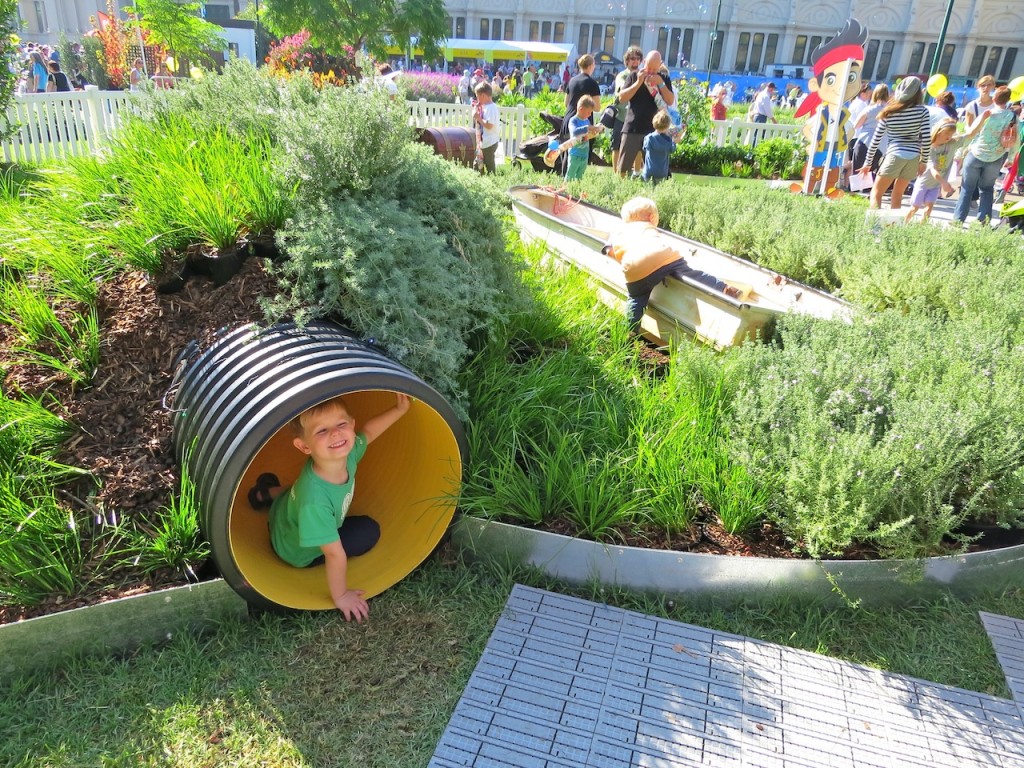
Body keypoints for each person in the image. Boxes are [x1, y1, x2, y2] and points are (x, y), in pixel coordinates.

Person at [249, 394, 410, 622]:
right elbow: (334, 554)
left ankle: (264, 493)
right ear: (304, 446)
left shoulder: (348, 452)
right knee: (368, 531)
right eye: (322, 431)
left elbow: (370, 432)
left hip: (284, 513)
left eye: (341, 424)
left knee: (295, 493)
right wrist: (341, 595)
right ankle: (265, 494)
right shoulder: (315, 501)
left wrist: (399, 410)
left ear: (352, 426)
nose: (335, 433)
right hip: (296, 552)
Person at [603, 197, 740, 333]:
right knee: (692, 274)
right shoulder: (648, 226)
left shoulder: (619, 231)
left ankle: (630, 331)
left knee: (636, 298)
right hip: (663, 255)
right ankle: (724, 288)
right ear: (651, 218)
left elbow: (608, 250)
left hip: (634, 266)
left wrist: (625, 260)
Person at [953, 85, 1018, 226]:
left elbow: (971, 133)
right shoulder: (1012, 116)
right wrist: (1011, 158)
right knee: (987, 189)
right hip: (996, 157)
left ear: (994, 98)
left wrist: (960, 148)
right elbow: (1016, 140)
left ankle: (958, 220)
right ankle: (983, 221)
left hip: (976, 154)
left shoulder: (987, 114)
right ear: (1008, 99)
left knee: (967, 188)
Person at [862, 76, 931, 210]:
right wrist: (924, 161)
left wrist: (868, 162)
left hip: (894, 154)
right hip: (913, 157)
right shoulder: (922, 111)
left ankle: (874, 228)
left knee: (876, 193)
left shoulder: (889, 111)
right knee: (898, 195)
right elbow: (926, 139)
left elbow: (876, 139)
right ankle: (893, 228)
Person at [904, 116, 988, 223]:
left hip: (935, 186)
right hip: (923, 184)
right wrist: (944, 183)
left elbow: (971, 134)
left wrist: (982, 118)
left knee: (929, 208)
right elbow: (933, 170)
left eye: (951, 134)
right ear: (938, 132)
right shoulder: (928, 148)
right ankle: (904, 224)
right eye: (947, 134)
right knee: (914, 208)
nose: (949, 137)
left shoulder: (952, 144)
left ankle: (921, 228)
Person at [616, 50, 675, 176]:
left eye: (655, 69)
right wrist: (638, 82)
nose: (651, 72)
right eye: (649, 67)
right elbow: (622, 98)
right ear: (644, 63)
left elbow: (670, 100)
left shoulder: (663, 78)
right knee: (623, 169)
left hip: (655, 130)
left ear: (660, 66)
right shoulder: (634, 75)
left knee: (656, 171)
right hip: (633, 127)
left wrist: (661, 84)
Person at [611, 46, 643, 173]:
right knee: (617, 145)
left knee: (639, 147)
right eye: (632, 58)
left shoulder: (642, 74)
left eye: (637, 58)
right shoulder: (622, 75)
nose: (635, 61)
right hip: (622, 115)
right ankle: (616, 173)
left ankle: (636, 173)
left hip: (636, 116)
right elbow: (621, 92)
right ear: (627, 61)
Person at [849, 83, 890, 178]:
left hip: (865, 141)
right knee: (870, 174)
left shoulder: (869, 109)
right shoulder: (890, 111)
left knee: (857, 173)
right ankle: (866, 191)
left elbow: (856, 125)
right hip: (881, 145)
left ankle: (854, 190)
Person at [561, 54, 602, 142]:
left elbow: (566, 103)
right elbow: (597, 108)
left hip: (569, 119)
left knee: (567, 151)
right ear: (591, 66)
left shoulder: (572, 81)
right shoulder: (592, 83)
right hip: (584, 121)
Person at [565, 94, 601, 181]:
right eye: (589, 112)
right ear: (581, 109)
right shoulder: (573, 120)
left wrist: (595, 130)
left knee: (580, 177)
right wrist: (587, 128)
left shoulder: (586, 121)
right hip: (575, 154)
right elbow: (574, 132)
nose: (589, 115)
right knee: (570, 175)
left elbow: (588, 134)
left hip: (584, 154)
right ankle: (565, 190)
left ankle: (577, 192)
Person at [473, 81, 501, 174]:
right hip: (484, 142)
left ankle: (491, 180)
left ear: (483, 96)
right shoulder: (485, 107)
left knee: (489, 165)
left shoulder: (491, 108)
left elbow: (489, 125)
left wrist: (478, 117)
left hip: (489, 142)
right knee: (478, 164)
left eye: (478, 96)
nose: (477, 99)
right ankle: (479, 179)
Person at [641, 109, 675, 183]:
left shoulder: (648, 138)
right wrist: (674, 141)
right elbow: (672, 149)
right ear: (667, 126)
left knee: (647, 191)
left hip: (648, 171)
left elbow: (644, 149)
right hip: (662, 173)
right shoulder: (668, 140)